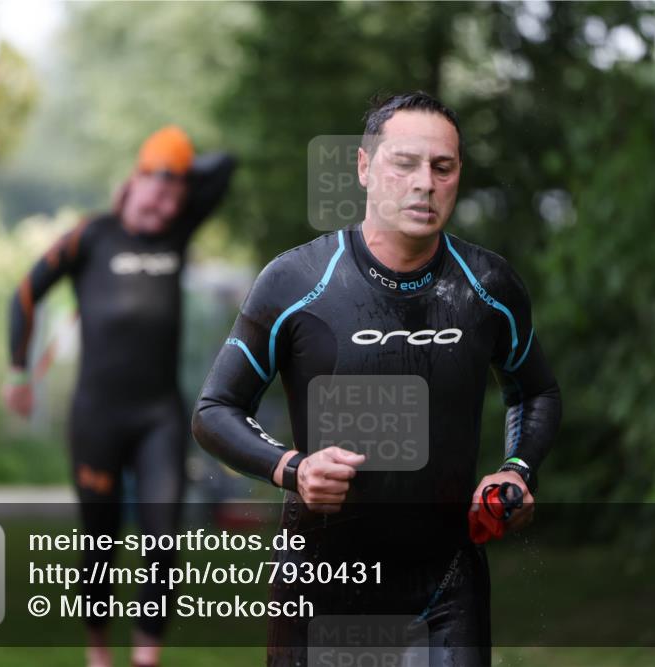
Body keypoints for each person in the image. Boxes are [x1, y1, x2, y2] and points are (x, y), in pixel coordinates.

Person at [192, 92, 561, 666]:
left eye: (443, 167)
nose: (425, 183)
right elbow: (215, 409)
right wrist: (293, 468)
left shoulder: (488, 286)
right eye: (404, 163)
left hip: (448, 589)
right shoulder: (297, 282)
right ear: (364, 167)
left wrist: (516, 471)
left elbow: (536, 390)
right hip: (321, 585)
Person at [3, 126, 235, 667]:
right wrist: (17, 372)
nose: (165, 207)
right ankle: (98, 651)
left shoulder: (176, 233)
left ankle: (146, 657)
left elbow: (225, 165)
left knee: (163, 538)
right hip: (97, 419)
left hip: (160, 418)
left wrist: (176, 169)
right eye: (157, 194)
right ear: (134, 182)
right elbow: (25, 294)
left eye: (176, 199)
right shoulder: (92, 236)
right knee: (100, 540)